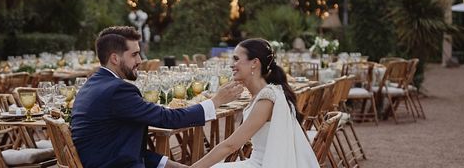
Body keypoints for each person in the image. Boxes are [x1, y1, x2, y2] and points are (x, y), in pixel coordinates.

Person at [71, 26, 244, 168]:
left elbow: (117, 148)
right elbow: (167, 118)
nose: (140, 60)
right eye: (134, 54)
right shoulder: (117, 90)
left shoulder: (92, 84)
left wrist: (171, 165)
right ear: (115, 58)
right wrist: (216, 101)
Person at [190, 39, 319, 168]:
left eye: (236, 59)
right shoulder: (266, 93)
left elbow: (231, 145)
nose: (231, 64)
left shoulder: (266, 99)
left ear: (254, 63)